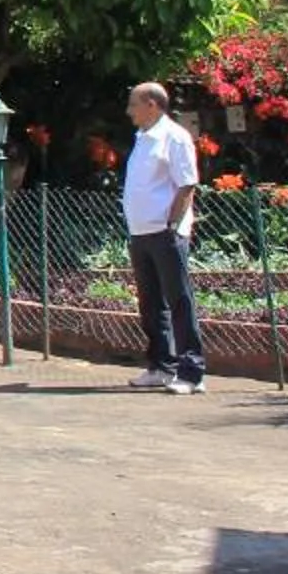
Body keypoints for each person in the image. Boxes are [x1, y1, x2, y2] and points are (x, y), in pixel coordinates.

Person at [122, 81, 207, 394]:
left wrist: (172, 224)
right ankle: (161, 366)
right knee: (151, 304)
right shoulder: (142, 137)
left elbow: (187, 184)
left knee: (179, 301)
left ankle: (192, 372)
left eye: (134, 104)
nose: (129, 111)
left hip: (165, 232)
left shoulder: (175, 137)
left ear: (152, 105)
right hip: (140, 232)